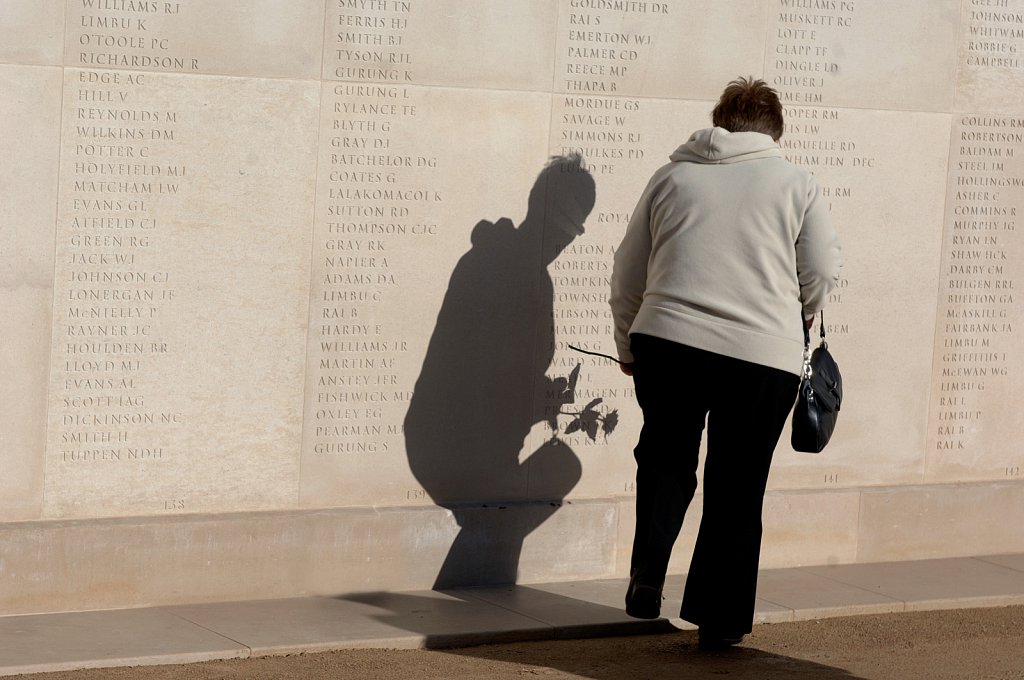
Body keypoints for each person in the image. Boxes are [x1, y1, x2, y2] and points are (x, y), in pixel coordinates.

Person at [609, 77, 842, 649]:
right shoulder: (797, 184)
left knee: (665, 457)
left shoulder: (672, 175)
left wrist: (627, 345)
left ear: (719, 122)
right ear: (774, 132)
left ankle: (648, 573)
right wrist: (801, 318)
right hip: (762, 354)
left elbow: (627, 271)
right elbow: (820, 271)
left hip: (668, 339)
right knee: (738, 485)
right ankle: (718, 622)